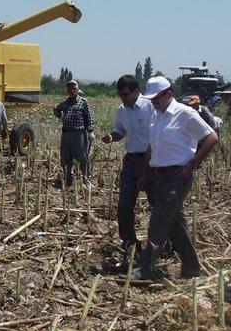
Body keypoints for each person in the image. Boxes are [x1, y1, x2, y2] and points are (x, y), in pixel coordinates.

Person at [133, 76, 218, 281]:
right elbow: (152, 147)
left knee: (159, 221)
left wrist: (194, 162)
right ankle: (191, 267)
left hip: (178, 176)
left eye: (157, 98)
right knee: (175, 224)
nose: (153, 102)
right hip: (158, 175)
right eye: (151, 99)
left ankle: (144, 269)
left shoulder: (184, 113)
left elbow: (211, 137)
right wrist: (144, 173)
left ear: (168, 94)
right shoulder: (157, 116)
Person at [100, 75, 154, 257]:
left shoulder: (151, 107)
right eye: (120, 94)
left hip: (153, 161)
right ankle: (129, 241)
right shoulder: (121, 111)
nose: (123, 98)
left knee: (158, 205)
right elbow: (120, 131)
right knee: (124, 204)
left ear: (136, 91)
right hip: (131, 161)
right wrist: (111, 137)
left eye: (126, 94)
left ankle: (162, 242)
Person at [54, 80, 95, 188]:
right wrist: (60, 116)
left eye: (74, 88)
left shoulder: (83, 102)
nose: (71, 90)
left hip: (79, 134)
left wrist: (90, 131)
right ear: (67, 90)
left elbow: (89, 117)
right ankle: (68, 180)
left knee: (83, 157)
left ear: (77, 90)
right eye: (69, 88)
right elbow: (56, 110)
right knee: (66, 158)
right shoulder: (64, 102)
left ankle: (87, 179)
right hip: (66, 133)